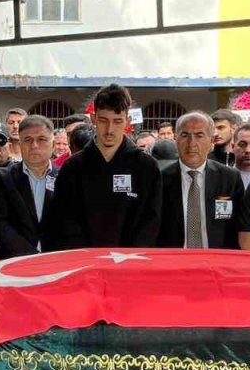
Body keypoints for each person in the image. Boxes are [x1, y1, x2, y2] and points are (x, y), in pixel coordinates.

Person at [43, 84, 162, 250]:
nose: (109, 129)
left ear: (128, 121)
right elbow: (63, 220)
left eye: (117, 121)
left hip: (131, 263)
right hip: (84, 263)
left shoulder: (146, 167)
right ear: (93, 119)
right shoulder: (73, 167)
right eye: (103, 120)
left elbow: (151, 222)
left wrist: (131, 257)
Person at [157, 112, 244, 249]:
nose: (192, 143)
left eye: (199, 135)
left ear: (211, 141)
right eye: (185, 135)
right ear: (176, 139)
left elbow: (238, 226)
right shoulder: (160, 180)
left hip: (217, 261)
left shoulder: (230, 179)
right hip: (173, 261)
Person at [0, 115, 57, 258]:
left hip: (57, 261)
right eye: (28, 140)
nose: (34, 146)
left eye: (41, 139)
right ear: (19, 144)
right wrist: (31, 257)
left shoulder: (65, 177)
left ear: (53, 144)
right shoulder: (3, 178)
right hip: (15, 262)